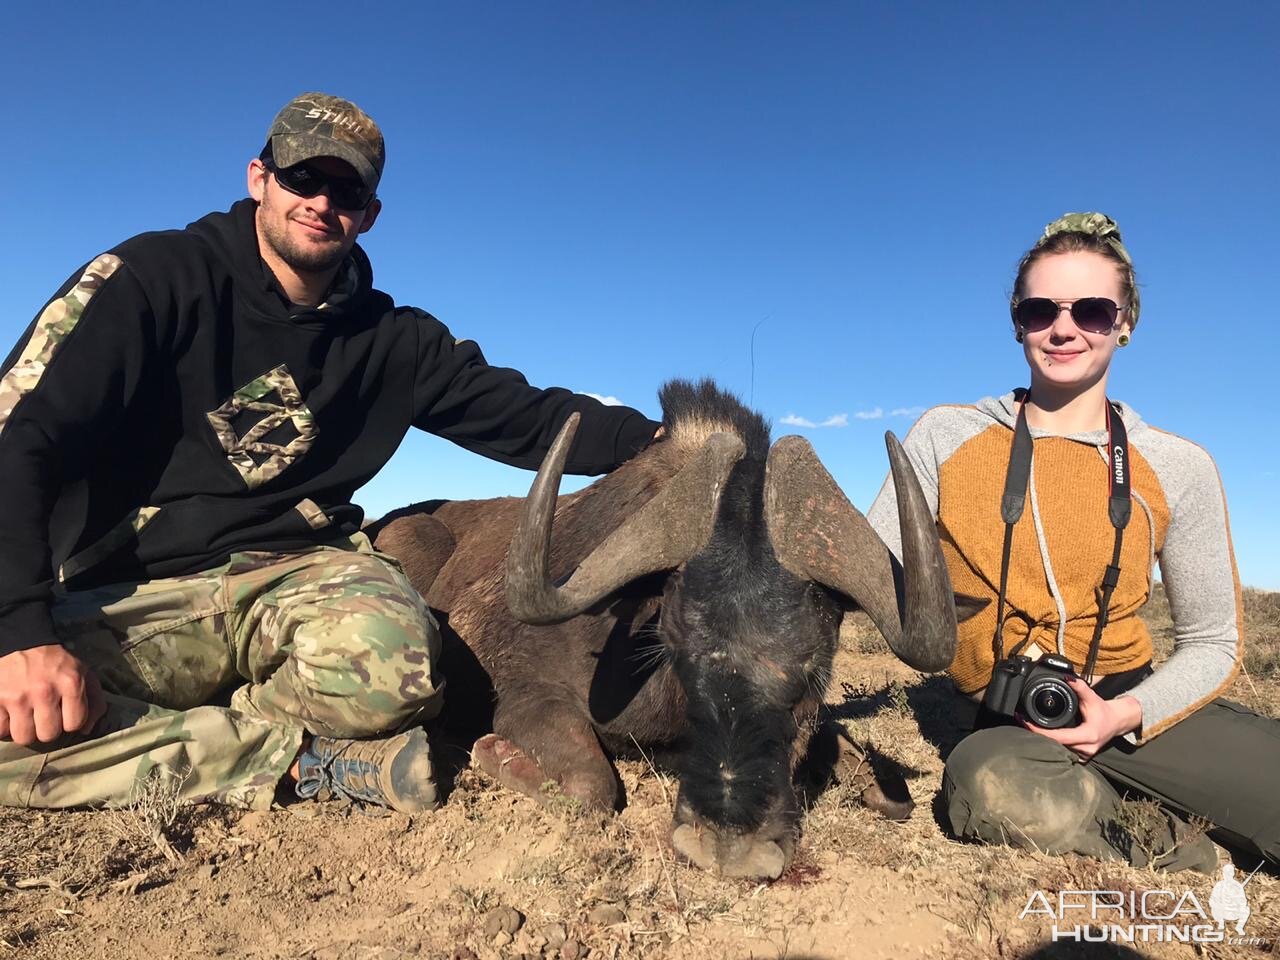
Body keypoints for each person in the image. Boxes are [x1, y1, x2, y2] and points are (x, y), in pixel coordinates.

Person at [0, 93, 660, 814]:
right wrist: (19, 630)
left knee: (397, 671)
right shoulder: (146, 280)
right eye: (301, 177)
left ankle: (194, 738)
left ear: (370, 213)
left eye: (346, 190)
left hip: (301, 580)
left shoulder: (396, 342)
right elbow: (18, 439)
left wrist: (663, 442)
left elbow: (530, 417)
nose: (320, 202)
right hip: (135, 593)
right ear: (259, 178)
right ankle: (299, 757)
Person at [867, 212, 1278, 872]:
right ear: (1017, 321)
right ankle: (1177, 846)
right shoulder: (946, 435)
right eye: (1040, 309)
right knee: (984, 784)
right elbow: (867, 569)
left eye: (1091, 310)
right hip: (1013, 723)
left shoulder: (1177, 465)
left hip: (1138, 707)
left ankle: (1130, 790)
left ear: (1125, 322)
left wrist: (1123, 714)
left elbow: (1214, 640)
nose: (1063, 329)